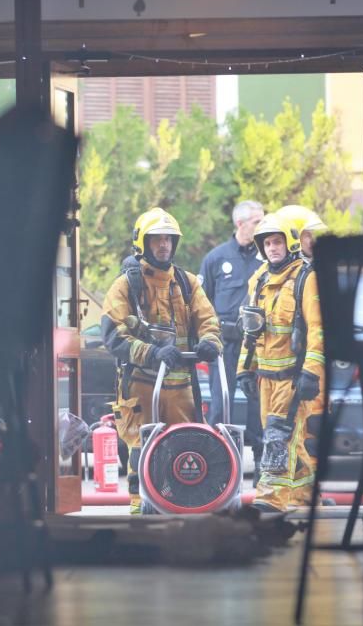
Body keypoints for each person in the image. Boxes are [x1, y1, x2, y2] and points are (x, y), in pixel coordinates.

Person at [101, 207, 222, 514]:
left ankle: (180, 502)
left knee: (185, 446)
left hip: (181, 386)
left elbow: (208, 320)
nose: (164, 244)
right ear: (142, 243)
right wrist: (152, 353)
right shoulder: (126, 285)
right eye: (156, 239)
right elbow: (114, 335)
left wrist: (209, 342)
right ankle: (141, 505)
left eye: (168, 238)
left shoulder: (187, 282)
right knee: (142, 447)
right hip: (141, 385)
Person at [236, 212, 326, 512]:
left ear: (289, 244)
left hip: (292, 377)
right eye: (267, 243)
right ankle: (304, 494)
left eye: (277, 242)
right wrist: (244, 370)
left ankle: (270, 497)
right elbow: (251, 330)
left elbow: (318, 328)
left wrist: (311, 372)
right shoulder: (258, 280)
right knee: (288, 438)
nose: (273, 248)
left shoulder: (306, 278)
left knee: (278, 436)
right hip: (265, 378)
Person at [198, 200, 265, 431]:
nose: (262, 225)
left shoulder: (266, 258)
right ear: (240, 223)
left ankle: (259, 458)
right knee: (220, 402)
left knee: (258, 403)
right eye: (258, 221)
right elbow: (201, 303)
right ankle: (220, 457)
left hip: (256, 343)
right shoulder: (216, 258)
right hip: (224, 343)